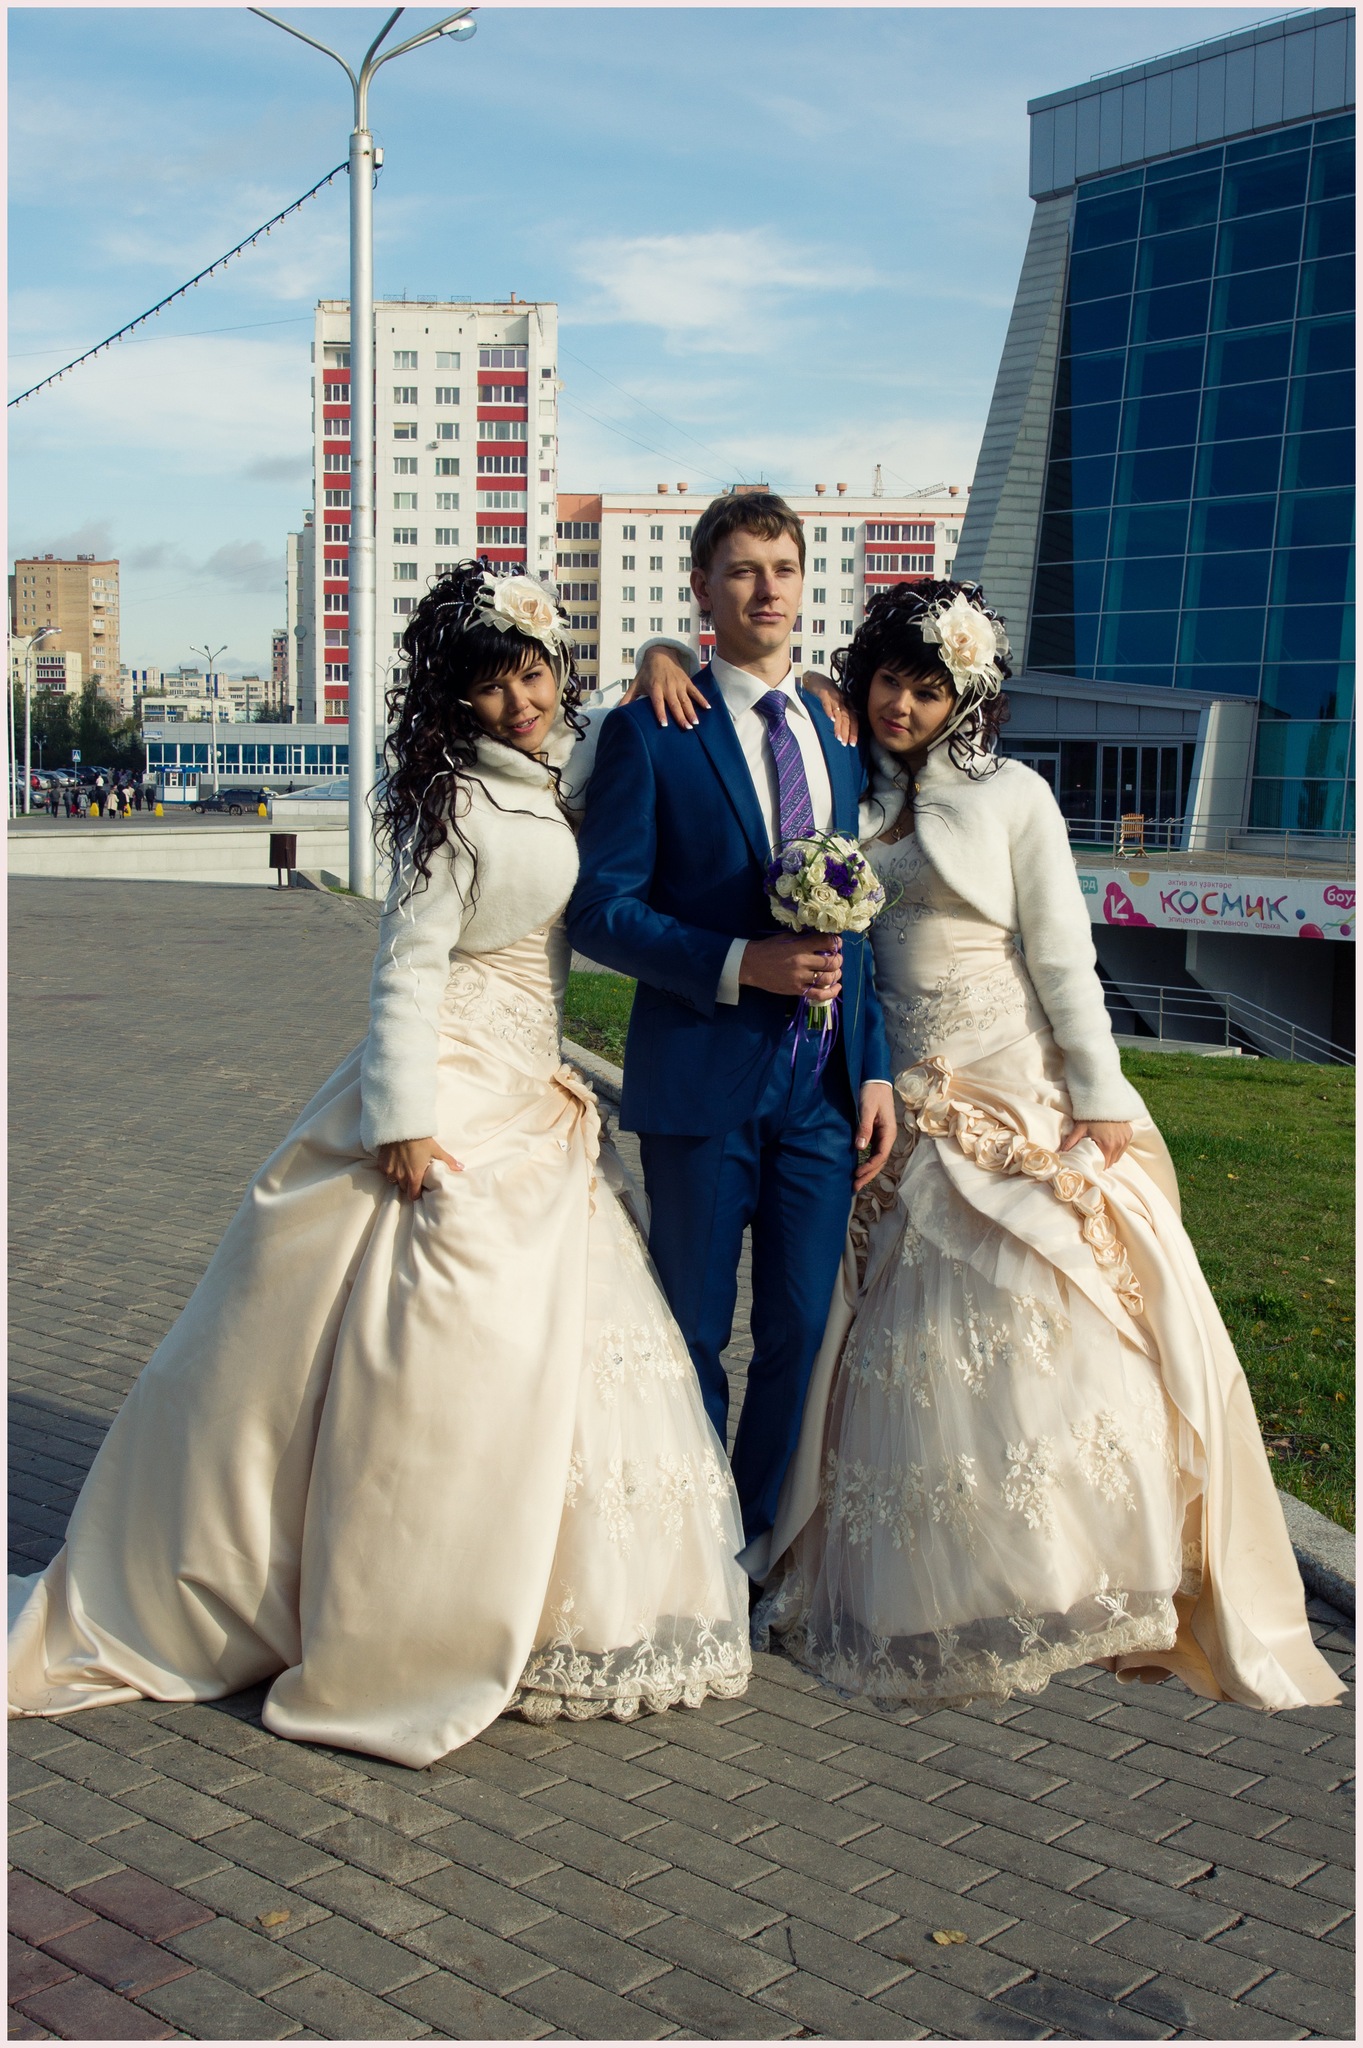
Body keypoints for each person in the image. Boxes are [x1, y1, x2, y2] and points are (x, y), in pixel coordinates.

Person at [9, 565, 751, 1767]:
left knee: (557, 1343)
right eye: (494, 685)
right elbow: (405, 965)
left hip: (532, 1083)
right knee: (445, 1341)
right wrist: (402, 1117)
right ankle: (410, 1607)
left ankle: (537, 1595)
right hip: (455, 1081)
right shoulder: (455, 802)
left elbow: (622, 734)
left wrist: (662, 648)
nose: (520, 700)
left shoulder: (553, 773)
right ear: (458, 700)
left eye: (532, 675)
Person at [746, 581, 1339, 1713]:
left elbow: (1062, 953)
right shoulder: (840, 790)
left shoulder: (1012, 794)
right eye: (890, 681)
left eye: (930, 689)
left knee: (1042, 1294)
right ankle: (937, 1581)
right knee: (908, 1332)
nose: (904, 705)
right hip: (894, 1087)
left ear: (965, 697)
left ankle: (1074, 1559)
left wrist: (1098, 1090)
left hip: (1009, 1076)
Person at [567, 493, 897, 1571]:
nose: (766, 588)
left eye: (783, 568)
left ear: (805, 583)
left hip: (821, 1091)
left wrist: (873, 1070)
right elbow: (601, 909)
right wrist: (734, 963)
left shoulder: (835, 734)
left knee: (800, 1329)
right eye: (743, 569)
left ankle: (751, 1534)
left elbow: (853, 918)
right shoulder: (650, 731)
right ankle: (691, 1537)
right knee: (694, 1330)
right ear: (702, 589)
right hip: (702, 1081)